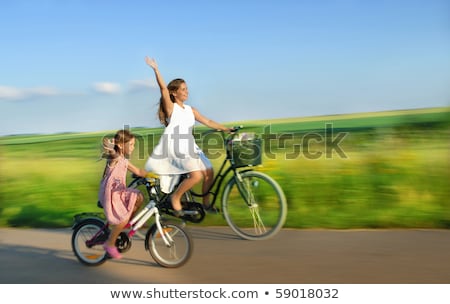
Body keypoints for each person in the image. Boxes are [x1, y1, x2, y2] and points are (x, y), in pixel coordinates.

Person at [144, 56, 230, 215]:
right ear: (174, 93)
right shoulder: (172, 109)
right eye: (183, 89)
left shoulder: (191, 110)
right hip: (175, 148)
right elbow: (163, 89)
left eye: (186, 88)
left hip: (191, 148)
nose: (186, 91)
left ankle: (205, 204)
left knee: (209, 172)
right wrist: (156, 69)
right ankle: (175, 198)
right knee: (196, 175)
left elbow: (208, 121)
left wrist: (226, 129)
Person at [98, 129, 148, 259]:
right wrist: (110, 146)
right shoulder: (114, 158)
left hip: (119, 192)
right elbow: (113, 154)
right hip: (111, 195)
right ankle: (110, 243)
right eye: (131, 144)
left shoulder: (124, 160)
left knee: (139, 196)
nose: (133, 147)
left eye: (134, 145)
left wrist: (153, 175)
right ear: (121, 145)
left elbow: (137, 170)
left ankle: (127, 221)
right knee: (123, 218)